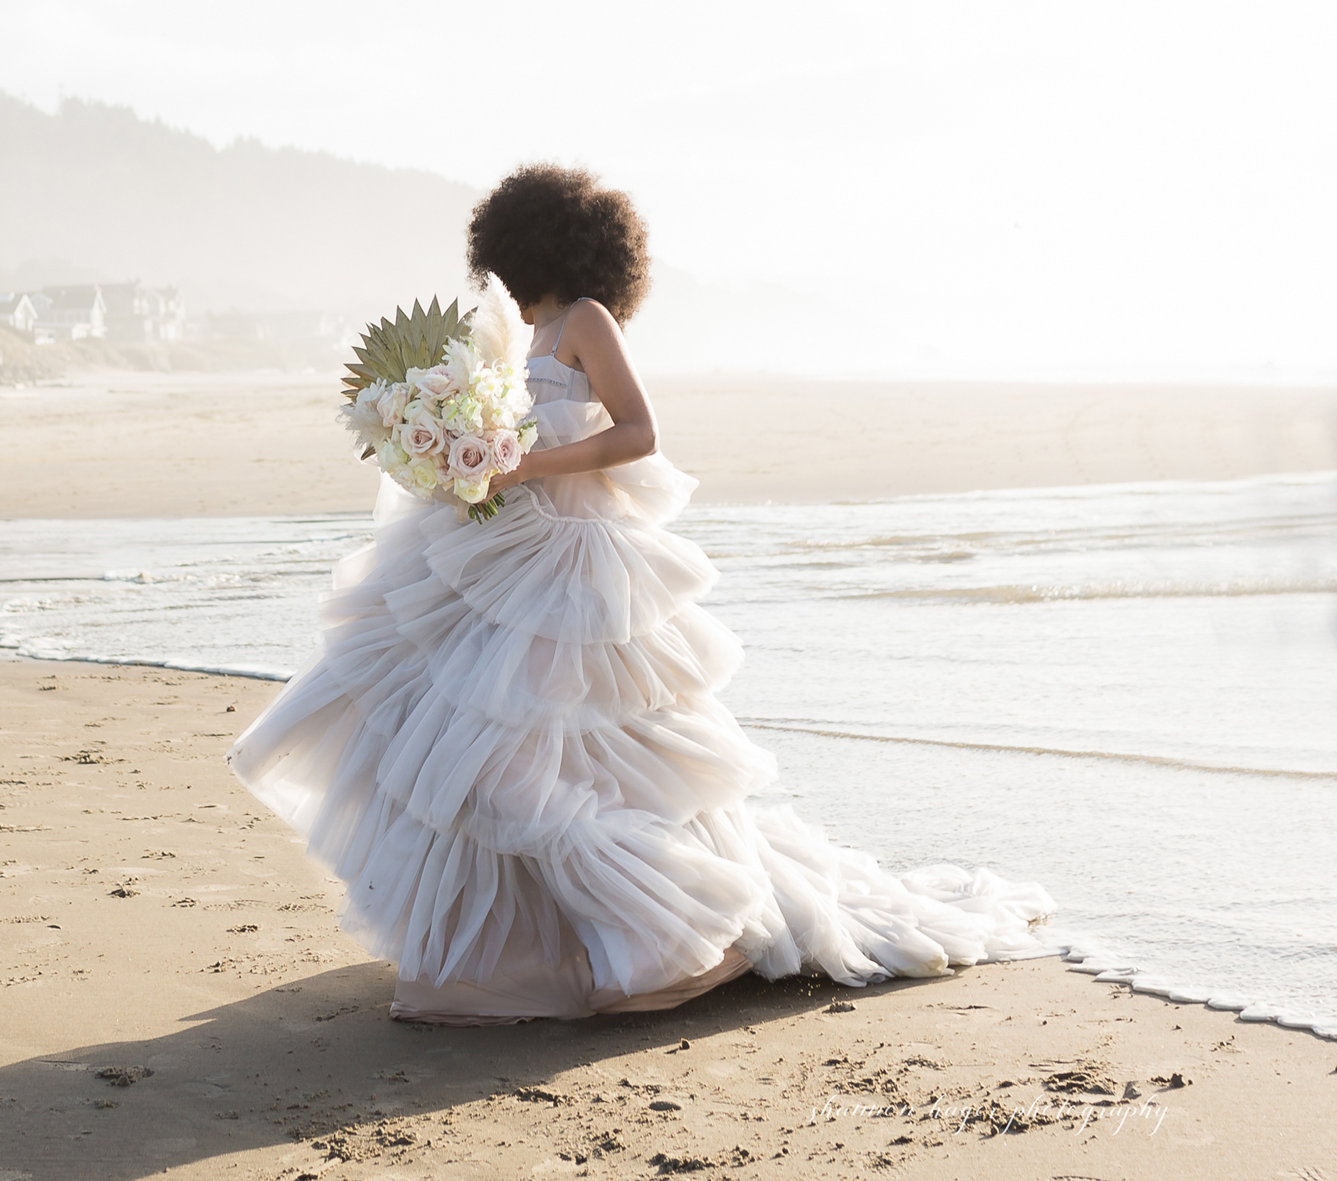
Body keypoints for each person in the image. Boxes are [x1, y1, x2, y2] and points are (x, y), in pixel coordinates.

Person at [229, 163, 1052, 1023]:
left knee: (550, 750)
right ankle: (525, 949)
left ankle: (664, 936)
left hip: (571, 568)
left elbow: (638, 432)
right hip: (496, 561)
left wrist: (522, 463)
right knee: (482, 746)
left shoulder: (584, 320)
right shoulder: (507, 336)